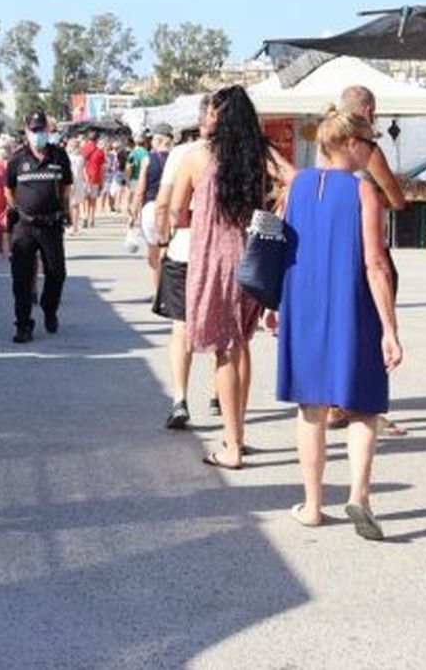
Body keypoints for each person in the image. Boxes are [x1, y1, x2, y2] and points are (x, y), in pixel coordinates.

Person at [278, 108, 404, 541]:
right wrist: (390, 328)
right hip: (352, 305)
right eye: (370, 143)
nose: (372, 151)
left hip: (303, 304)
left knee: (310, 408)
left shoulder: (298, 185)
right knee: (363, 405)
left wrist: (276, 303)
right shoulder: (362, 191)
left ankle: (313, 506)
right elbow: (375, 264)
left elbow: (284, 248)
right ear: (351, 144)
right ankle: (359, 495)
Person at [170, 86, 290, 468]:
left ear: (220, 117)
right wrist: (276, 207)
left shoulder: (197, 157)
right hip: (251, 258)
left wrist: (202, 218)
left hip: (211, 261)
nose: (207, 116)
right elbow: (295, 178)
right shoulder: (259, 153)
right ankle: (238, 433)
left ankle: (232, 446)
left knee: (224, 349)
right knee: (241, 344)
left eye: (212, 111)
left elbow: (176, 213)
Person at [336, 84, 410, 438]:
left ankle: (335, 402)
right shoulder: (366, 149)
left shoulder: (328, 145)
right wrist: (381, 195)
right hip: (366, 241)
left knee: (340, 322)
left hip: (333, 243)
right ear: (367, 110)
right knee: (374, 321)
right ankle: (366, 406)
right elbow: (397, 198)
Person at [153, 113, 205, 429]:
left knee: (181, 325)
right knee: (223, 332)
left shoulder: (182, 155)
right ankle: (219, 395)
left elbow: (166, 205)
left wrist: (162, 239)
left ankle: (180, 398)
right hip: (222, 252)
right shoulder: (240, 150)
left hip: (184, 247)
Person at [5, 111, 74, 343]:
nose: (38, 134)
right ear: (26, 131)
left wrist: (66, 210)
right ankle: (23, 325)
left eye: (41, 130)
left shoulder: (59, 156)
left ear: (48, 130)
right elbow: (8, 188)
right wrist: (16, 210)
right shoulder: (17, 159)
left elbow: (66, 186)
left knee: (57, 274)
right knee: (21, 278)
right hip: (25, 225)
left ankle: (49, 308)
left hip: (51, 224)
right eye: (34, 130)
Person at [134, 124, 174, 295]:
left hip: (151, 207)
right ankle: (169, 290)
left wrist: (133, 211)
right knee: (168, 250)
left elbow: (140, 188)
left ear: (158, 140)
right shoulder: (177, 158)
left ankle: (157, 291)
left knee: (153, 251)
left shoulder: (147, 159)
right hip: (172, 207)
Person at [79, 133, 106, 228]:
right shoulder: (100, 152)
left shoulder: (82, 150)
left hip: (83, 178)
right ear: (97, 139)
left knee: (83, 199)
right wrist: (102, 181)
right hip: (95, 178)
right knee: (93, 200)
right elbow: (102, 168)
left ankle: (84, 216)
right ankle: (92, 219)